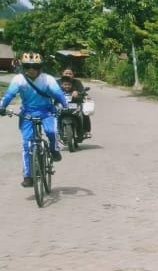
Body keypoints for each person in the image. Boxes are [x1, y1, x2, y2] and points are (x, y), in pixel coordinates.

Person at [0, 52, 67, 187]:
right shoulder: (18, 79)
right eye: (28, 66)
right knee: (26, 144)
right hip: (27, 114)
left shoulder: (47, 79)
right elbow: (9, 95)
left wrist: (64, 105)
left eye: (35, 67)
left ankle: (54, 150)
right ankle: (28, 175)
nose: (31, 69)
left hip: (46, 111)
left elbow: (58, 93)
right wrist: (2, 107)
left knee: (51, 132)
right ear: (23, 67)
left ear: (40, 67)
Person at [57, 67, 91, 137]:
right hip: (60, 103)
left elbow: (83, 91)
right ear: (62, 74)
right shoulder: (57, 82)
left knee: (85, 112)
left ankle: (86, 131)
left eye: (70, 73)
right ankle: (56, 131)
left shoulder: (77, 82)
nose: (68, 75)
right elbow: (51, 90)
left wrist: (80, 93)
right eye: (66, 73)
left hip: (75, 103)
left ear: (73, 75)